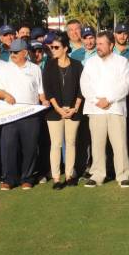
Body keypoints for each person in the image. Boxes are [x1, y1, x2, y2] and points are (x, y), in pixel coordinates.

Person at [0, 39, 50, 190]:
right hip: (10, 114)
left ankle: (27, 178)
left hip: (31, 115)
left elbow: (40, 91)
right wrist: (6, 95)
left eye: (16, 52)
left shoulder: (35, 69)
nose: (12, 55)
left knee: (30, 148)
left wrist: (44, 101)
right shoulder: (5, 69)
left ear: (25, 53)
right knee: (8, 147)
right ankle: (9, 179)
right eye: (11, 52)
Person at [79, 31, 129, 188]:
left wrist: (108, 99)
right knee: (97, 144)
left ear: (111, 45)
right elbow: (85, 85)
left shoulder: (122, 62)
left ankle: (123, 175)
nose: (98, 47)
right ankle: (97, 175)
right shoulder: (90, 62)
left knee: (119, 144)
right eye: (98, 43)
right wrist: (97, 101)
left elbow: (124, 85)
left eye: (102, 44)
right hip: (96, 110)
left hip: (115, 108)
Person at [43, 33, 84, 190]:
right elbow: (48, 90)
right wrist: (59, 109)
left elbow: (82, 88)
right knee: (56, 144)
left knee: (71, 143)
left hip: (74, 110)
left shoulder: (77, 65)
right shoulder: (49, 66)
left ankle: (69, 175)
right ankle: (56, 178)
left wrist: (75, 108)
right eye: (51, 47)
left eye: (56, 47)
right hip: (55, 112)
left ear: (65, 48)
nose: (53, 50)